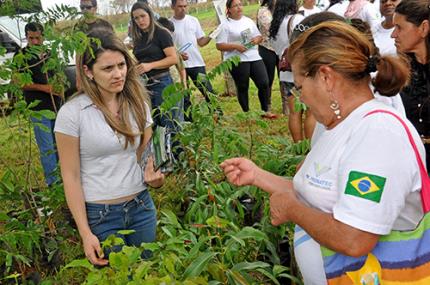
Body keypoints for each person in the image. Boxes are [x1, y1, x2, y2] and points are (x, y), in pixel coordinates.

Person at [221, 21, 423, 285]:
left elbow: (355, 238)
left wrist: (292, 211)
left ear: (326, 78)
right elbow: (319, 192)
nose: (300, 97)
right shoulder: (338, 126)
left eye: (301, 86)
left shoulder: (378, 133)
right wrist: (257, 176)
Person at [54, 33, 164, 266]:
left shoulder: (138, 104)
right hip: (101, 216)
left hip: (142, 207)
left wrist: (154, 178)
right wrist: (85, 233)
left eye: (122, 65)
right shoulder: (72, 113)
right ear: (88, 71)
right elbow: (70, 176)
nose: (118, 74)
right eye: (108, 68)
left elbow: (145, 157)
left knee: (148, 273)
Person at [13, 22, 62, 187]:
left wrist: (59, 86)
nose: (34, 42)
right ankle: (53, 185)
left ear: (43, 36)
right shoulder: (21, 56)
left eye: (38, 38)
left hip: (56, 106)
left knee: (60, 146)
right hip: (38, 109)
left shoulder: (50, 54)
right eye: (30, 38)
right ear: (26, 36)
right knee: (47, 148)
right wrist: (45, 88)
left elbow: (58, 75)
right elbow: (19, 82)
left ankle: (64, 182)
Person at [216, 0, 273, 118]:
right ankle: (246, 113)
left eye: (240, 5)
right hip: (237, 59)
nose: (239, 7)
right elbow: (219, 45)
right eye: (235, 6)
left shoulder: (247, 20)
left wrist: (255, 41)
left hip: (254, 56)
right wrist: (235, 46)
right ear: (229, 9)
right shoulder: (225, 25)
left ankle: (265, 111)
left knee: (264, 83)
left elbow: (258, 36)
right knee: (243, 86)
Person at [130, 2, 182, 131]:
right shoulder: (138, 37)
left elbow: (173, 58)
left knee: (168, 122)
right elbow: (142, 59)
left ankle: (175, 150)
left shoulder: (161, 33)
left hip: (162, 83)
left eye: (142, 16)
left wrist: (150, 66)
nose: (140, 20)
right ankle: (161, 151)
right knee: (154, 123)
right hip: (145, 85)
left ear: (150, 14)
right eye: (136, 18)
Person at [392, 0, 430, 171]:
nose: (393, 34)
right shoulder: (399, 70)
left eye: (399, 27)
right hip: (409, 163)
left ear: (423, 28)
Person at [269, 0, 313, 142]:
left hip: (285, 73)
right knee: (310, 112)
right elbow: (308, 42)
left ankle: (298, 147)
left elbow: (276, 50)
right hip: (301, 73)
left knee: (294, 113)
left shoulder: (275, 25)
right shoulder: (297, 20)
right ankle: (310, 148)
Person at [170, 0, 215, 117]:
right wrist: (178, 55)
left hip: (197, 63)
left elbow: (201, 42)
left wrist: (210, 36)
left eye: (185, 6)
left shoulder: (193, 20)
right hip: (179, 66)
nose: (183, 9)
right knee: (184, 95)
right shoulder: (169, 25)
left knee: (208, 90)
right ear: (172, 7)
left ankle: (217, 113)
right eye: (180, 6)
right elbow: (168, 48)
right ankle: (188, 120)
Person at [256, 0, 279, 114]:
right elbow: (269, 27)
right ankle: (266, 108)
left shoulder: (282, 8)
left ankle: (287, 106)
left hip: (281, 48)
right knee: (267, 80)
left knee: (285, 78)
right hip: (267, 49)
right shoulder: (263, 11)